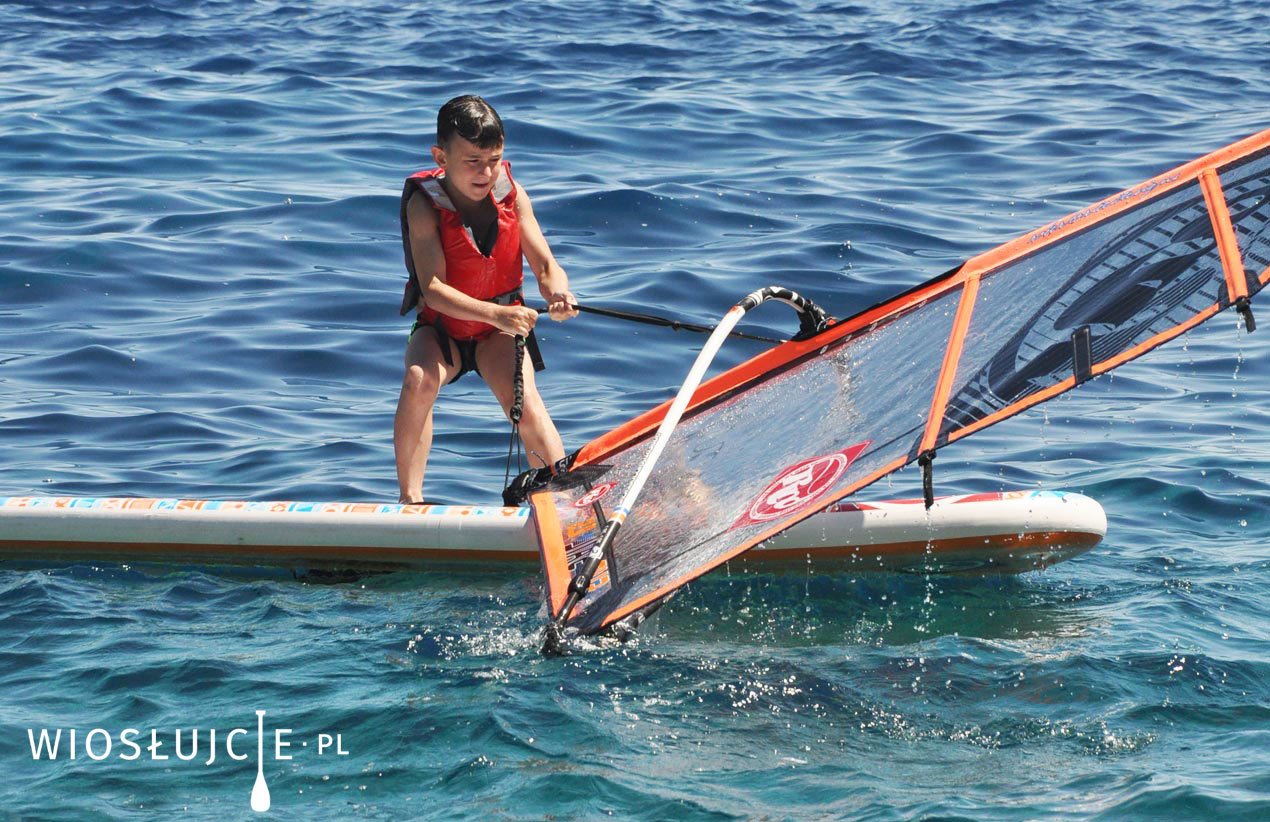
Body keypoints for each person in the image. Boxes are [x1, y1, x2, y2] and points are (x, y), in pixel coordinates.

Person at [393, 95, 577, 504]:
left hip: (498, 334)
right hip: (443, 329)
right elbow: (435, 290)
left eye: (494, 160)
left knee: (524, 401)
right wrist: (498, 313)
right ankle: (410, 502)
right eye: (472, 161)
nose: (486, 172)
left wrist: (559, 293)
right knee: (418, 381)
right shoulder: (424, 206)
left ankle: (562, 503)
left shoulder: (513, 194)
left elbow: (546, 266)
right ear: (441, 156)